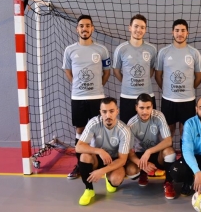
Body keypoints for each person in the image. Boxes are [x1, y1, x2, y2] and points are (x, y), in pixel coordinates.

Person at [62, 14, 111, 179]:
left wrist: (97, 87)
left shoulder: (101, 50)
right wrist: (77, 85)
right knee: (80, 129)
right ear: (77, 29)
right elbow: (68, 71)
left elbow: (107, 72)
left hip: (97, 97)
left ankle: (99, 163)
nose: (84, 28)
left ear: (92, 28)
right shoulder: (70, 50)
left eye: (88, 25)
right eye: (81, 26)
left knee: (99, 130)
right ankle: (80, 164)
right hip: (78, 98)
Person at [155, 19, 201, 149]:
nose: (180, 33)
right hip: (168, 100)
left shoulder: (194, 53)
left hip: (187, 100)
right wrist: (167, 89)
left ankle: (184, 160)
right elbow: (158, 76)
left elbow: (199, 76)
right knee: (168, 131)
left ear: (187, 33)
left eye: (183, 30)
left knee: (185, 131)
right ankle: (167, 160)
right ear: (172, 32)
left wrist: (188, 88)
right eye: (177, 30)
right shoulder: (164, 52)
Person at [75, 97, 131, 206]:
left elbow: (122, 160)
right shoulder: (94, 123)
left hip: (114, 160)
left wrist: (102, 171)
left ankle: (109, 179)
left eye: (111, 111)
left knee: (116, 179)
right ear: (100, 112)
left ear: (117, 111)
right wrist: (99, 151)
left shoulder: (124, 130)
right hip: (98, 157)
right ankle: (89, 190)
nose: (108, 115)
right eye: (104, 112)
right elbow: (78, 147)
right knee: (85, 156)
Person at [126, 93, 176, 199]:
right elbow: (129, 151)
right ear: (136, 108)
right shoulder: (131, 124)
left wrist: (149, 151)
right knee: (131, 172)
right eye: (141, 108)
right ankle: (143, 173)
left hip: (156, 153)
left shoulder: (159, 116)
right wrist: (142, 164)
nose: (145, 111)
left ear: (152, 107)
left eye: (148, 107)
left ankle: (168, 182)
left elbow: (168, 141)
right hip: (140, 155)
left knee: (169, 152)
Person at [113, 14, 157, 124]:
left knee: (150, 130)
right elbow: (116, 71)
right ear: (130, 28)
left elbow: (151, 70)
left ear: (145, 30)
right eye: (136, 26)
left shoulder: (152, 49)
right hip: (127, 96)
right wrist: (127, 82)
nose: (139, 30)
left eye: (142, 27)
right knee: (127, 129)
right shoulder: (121, 49)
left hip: (147, 96)